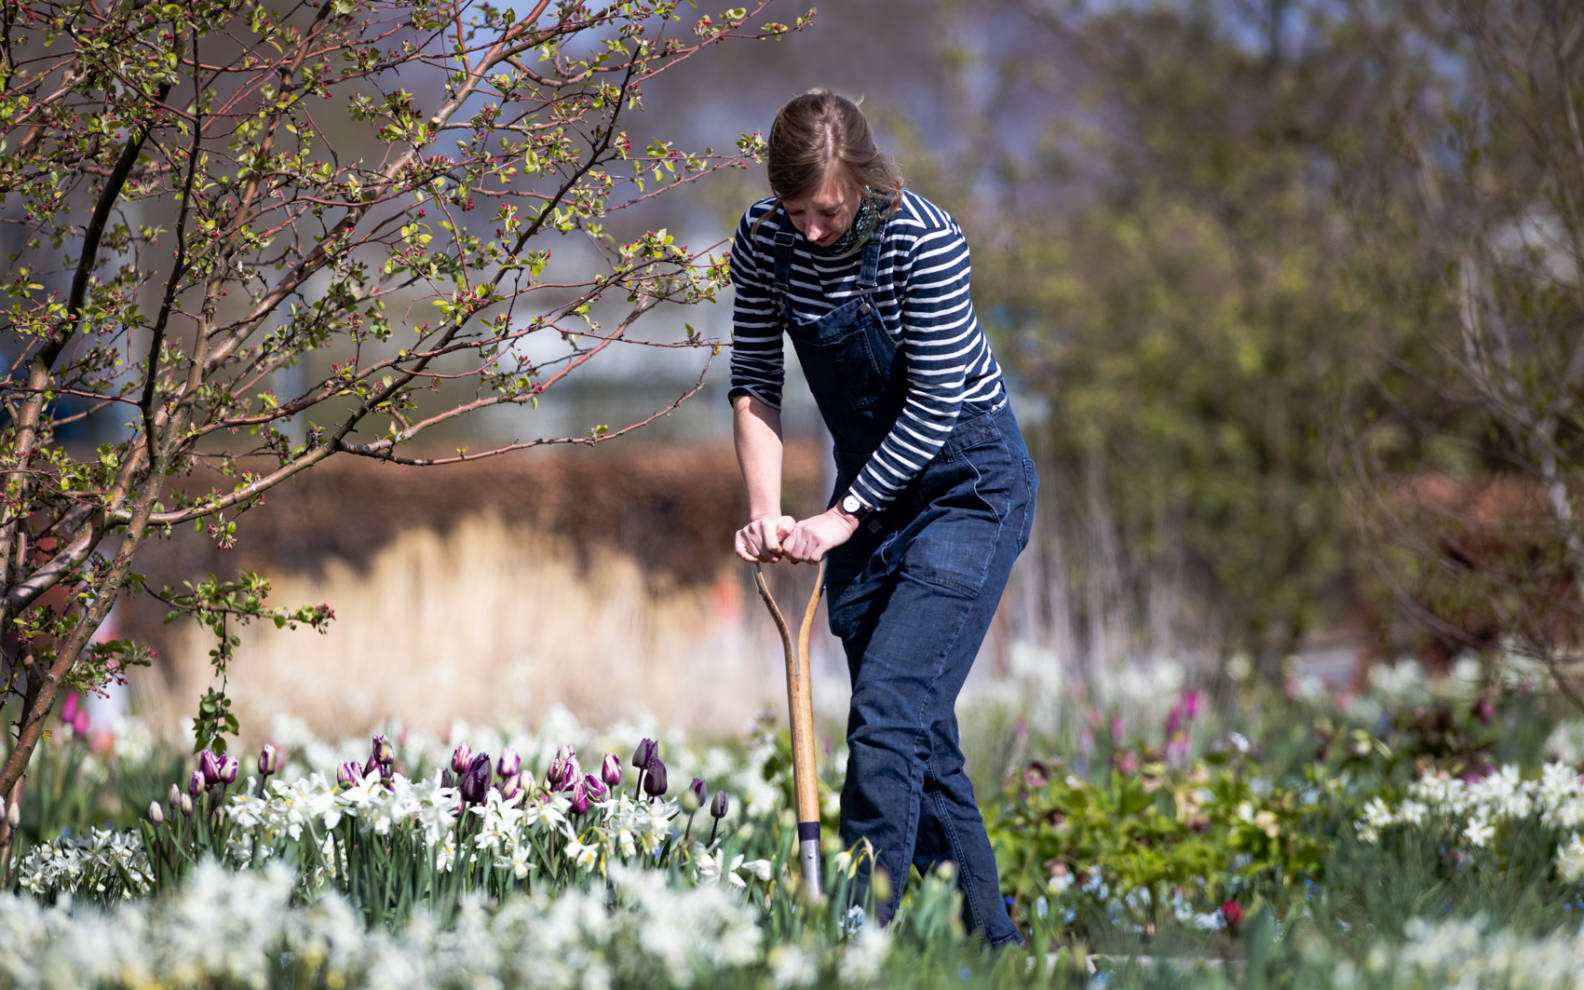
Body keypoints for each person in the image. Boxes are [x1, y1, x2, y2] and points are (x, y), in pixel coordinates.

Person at [728, 89, 1037, 949]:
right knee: (920, 739)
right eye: (795, 210)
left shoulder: (924, 239)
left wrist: (841, 517)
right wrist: (767, 519)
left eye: (825, 210)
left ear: (860, 180)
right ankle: (996, 955)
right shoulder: (763, 242)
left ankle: (861, 944)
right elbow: (756, 380)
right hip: (869, 499)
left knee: (890, 712)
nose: (810, 230)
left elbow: (937, 401)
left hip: (968, 490)